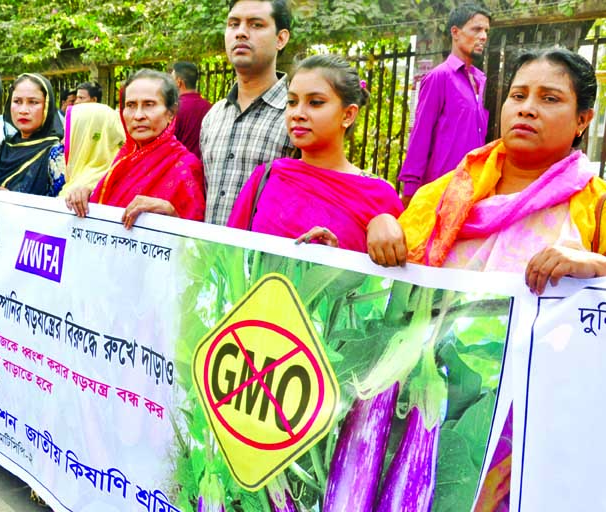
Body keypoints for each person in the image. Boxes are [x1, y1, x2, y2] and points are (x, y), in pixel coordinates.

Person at [367, 47, 606, 511]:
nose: (528, 107)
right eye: (519, 95)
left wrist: (597, 266)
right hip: (431, 407)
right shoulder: (448, 192)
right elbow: (392, 276)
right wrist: (379, 226)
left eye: (550, 98)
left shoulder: (594, 205)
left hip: (535, 422)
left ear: (582, 120)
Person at [227, 55, 403, 251]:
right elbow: (229, 259)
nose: (297, 113)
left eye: (316, 102)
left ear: (348, 115)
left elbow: (389, 278)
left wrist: (332, 261)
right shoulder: (268, 177)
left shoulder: (378, 197)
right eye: (292, 102)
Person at [65, 69, 205, 227]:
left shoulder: (185, 167)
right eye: (131, 105)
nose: (138, 115)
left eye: (149, 105)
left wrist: (171, 213)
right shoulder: (123, 159)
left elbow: (195, 244)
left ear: (170, 113)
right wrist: (87, 196)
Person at [200, 0, 294, 226]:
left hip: (266, 259)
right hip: (210, 258)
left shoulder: (297, 115)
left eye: (256, 25)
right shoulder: (213, 117)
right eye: (233, 24)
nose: (241, 33)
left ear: (281, 39)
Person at [398, 3, 491, 207]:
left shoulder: (481, 81)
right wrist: (411, 191)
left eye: (486, 31)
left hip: (471, 188)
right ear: (455, 33)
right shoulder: (440, 76)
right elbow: (420, 134)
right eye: (476, 29)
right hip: (439, 190)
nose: (483, 36)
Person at [0, 73, 65, 195]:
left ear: (47, 106)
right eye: (17, 101)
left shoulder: (56, 154)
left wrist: (15, 201)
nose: (23, 110)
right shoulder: (6, 147)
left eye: (33, 102)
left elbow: (62, 206)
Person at [59, 102, 124, 197]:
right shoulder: (87, 175)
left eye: (69, 135)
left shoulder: (84, 189)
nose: (63, 142)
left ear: (85, 138)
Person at [171, 61, 212, 160]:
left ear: (178, 82)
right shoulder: (210, 108)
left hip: (180, 168)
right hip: (203, 169)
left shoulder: (174, 109)